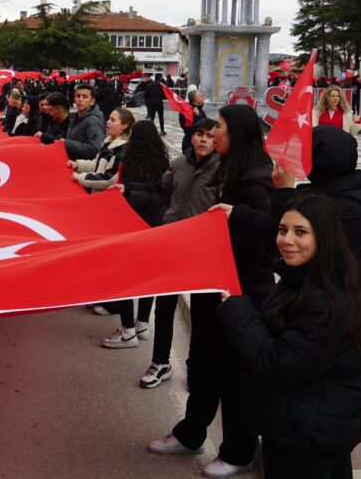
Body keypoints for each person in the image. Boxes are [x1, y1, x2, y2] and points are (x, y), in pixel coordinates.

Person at [150, 104, 276, 479]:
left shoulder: (256, 178)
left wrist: (231, 218)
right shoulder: (229, 168)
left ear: (236, 132)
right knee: (202, 365)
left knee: (234, 375)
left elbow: (268, 235)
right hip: (211, 280)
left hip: (242, 290)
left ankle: (238, 452)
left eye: (218, 126)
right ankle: (190, 433)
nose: (212, 132)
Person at [218, 194, 361, 478]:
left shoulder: (323, 299)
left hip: (307, 433)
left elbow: (277, 361)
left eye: (300, 232)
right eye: (282, 230)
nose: (286, 240)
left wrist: (238, 310)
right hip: (316, 423)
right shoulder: (311, 278)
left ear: (325, 238)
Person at [126, 118, 220, 388]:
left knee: (202, 316)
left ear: (217, 141)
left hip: (203, 249)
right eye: (200, 134)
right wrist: (129, 189)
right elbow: (158, 192)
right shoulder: (179, 164)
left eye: (209, 136)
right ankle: (161, 362)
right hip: (172, 243)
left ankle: (196, 367)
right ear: (192, 137)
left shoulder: (223, 171)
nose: (203, 140)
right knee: (164, 307)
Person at [272, 126, 361, 334]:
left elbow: (302, 259)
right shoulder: (347, 194)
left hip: (345, 318)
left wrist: (285, 193)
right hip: (347, 308)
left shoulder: (340, 208)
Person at [103, 120, 170, 348]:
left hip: (130, 222)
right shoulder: (164, 162)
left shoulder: (128, 161)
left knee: (124, 276)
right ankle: (142, 324)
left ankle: (127, 329)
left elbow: (123, 191)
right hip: (155, 223)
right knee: (147, 275)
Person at [70, 107, 135, 192]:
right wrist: (78, 165)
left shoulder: (123, 149)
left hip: (108, 199)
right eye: (108, 119)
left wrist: (81, 177)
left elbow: (109, 179)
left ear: (124, 125)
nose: (108, 122)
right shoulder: (108, 143)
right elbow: (96, 165)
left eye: (113, 120)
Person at [61, 83, 105, 160]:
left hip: (83, 168)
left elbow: (94, 150)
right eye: (78, 96)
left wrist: (66, 143)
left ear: (92, 101)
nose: (80, 100)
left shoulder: (93, 121)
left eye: (84, 97)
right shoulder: (74, 116)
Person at [180, 89, 208, 154]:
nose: (204, 98)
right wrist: (197, 116)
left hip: (200, 143)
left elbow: (207, 125)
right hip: (190, 144)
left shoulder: (200, 111)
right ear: (196, 100)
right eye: (202, 96)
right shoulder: (187, 111)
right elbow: (189, 129)